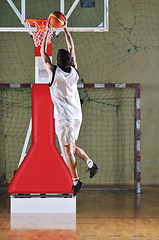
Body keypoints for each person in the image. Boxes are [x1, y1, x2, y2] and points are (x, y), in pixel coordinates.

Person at [40, 18, 99, 196]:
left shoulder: (53, 72)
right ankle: (90, 163)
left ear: (57, 61)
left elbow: (43, 54)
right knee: (71, 147)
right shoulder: (74, 70)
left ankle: (76, 181)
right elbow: (72, 48)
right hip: (76, 116)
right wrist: (65, 29)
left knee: (67, 151)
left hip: (64, 117)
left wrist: (47, 31)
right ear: (69, 60)